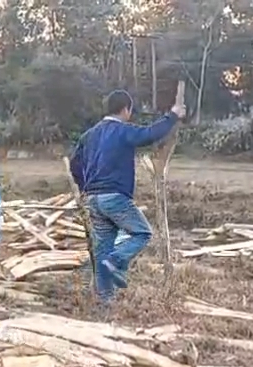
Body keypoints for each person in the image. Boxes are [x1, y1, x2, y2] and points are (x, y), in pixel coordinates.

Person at [69, 90, 186, 303]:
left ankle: (105, 304)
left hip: (93, 199)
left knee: (102, 249)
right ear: (126, 109)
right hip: (114, 196)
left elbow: (74, 163)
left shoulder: (90, 135)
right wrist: (173, 115)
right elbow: (149, 134)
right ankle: (117, 260)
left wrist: (83, 185)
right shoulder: (122, 130)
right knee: (141, 232)